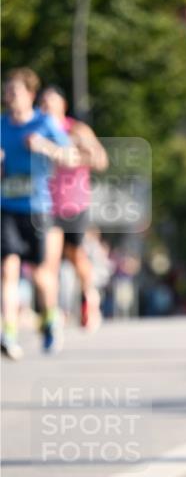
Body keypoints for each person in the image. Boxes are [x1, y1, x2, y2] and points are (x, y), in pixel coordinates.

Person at [1, 68, 78, 359]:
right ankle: (8, 332)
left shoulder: (44, 123)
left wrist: (43, 145)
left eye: (15, 91)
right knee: (8, 270)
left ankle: (49, 322)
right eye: (7, 91)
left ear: (30, 95)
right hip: (6, 206)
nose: (10, 97)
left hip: (38, 209)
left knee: (41, 274)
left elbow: (70, 156)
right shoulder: (1, 125)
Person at [39, 85, 108, 331]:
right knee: (49, 261)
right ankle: (53, 313)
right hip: (44, 204)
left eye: (51, 103)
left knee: (75, 255)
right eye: (43, 103)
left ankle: (89, 296)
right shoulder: (36, 132)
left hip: (74, 202)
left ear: (62, 106)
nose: (46, 107)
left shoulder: (76, 129)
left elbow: (101, 160)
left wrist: (68, 155)